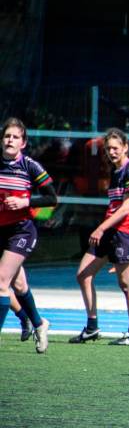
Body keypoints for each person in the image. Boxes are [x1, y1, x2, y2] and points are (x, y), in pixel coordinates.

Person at [70, 128, 129, 346]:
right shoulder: (115, 171)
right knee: (83, 274)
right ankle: (92, 327)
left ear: (125, 147)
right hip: (109, 232)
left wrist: (100, 228)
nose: (111, 152)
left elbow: (125, 209)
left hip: (124, 234)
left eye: (115, 148)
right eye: (108, 148)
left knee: (126, 283)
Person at [0, 117, 57, 353]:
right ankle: (38, 322)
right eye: (6, 136)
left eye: (15, 137)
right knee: (20, 285)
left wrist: (24, 201)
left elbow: (52, 198)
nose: (10, 140)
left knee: (1, 282)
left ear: (23, 143)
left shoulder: (30, 166)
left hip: (22, 230)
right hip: (1, 230)